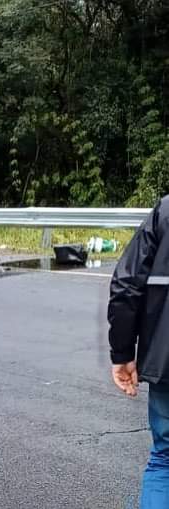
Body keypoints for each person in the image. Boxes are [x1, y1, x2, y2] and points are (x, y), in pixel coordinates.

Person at [109, 195, 169, 507]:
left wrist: (122, 354)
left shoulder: (166, 211)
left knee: (165, 460)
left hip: (166, 361)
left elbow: (126, 284)